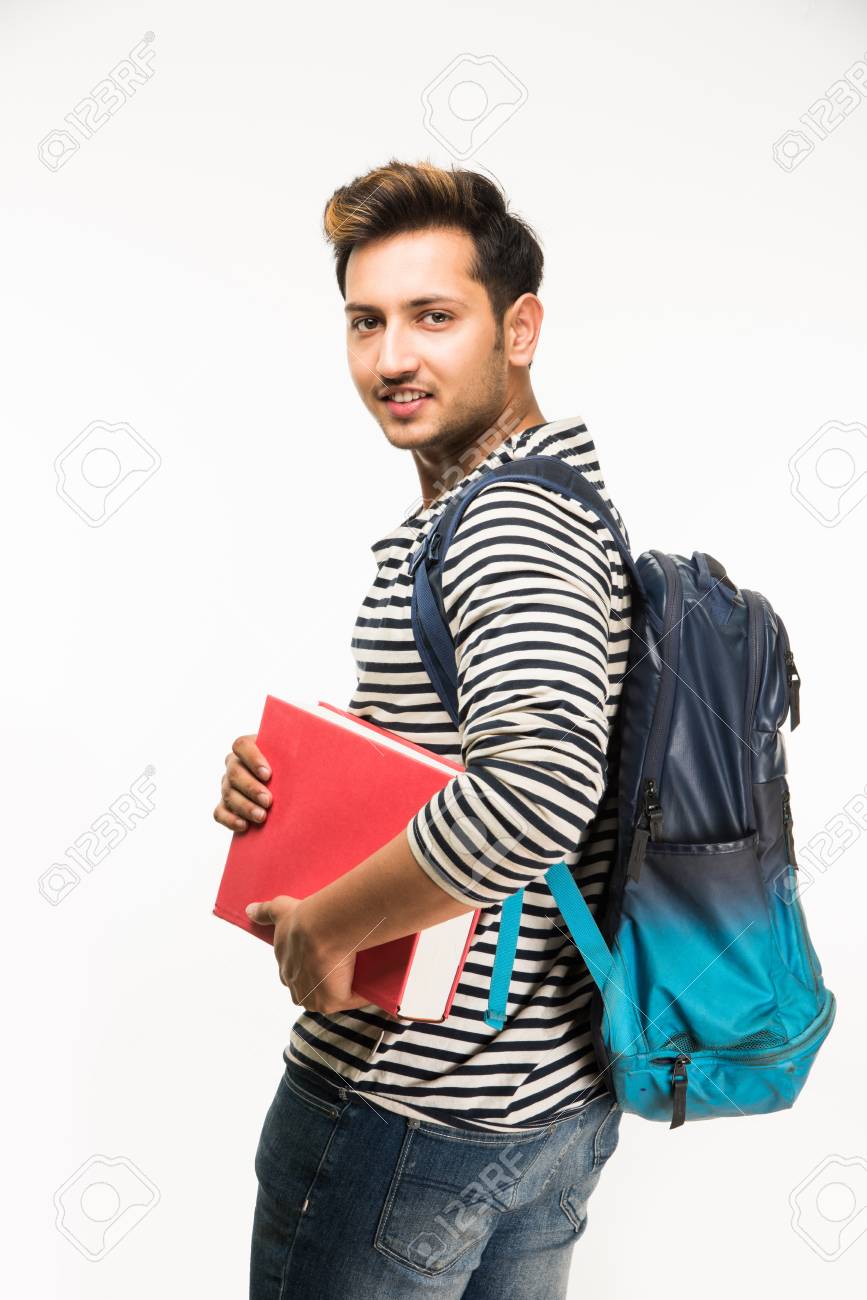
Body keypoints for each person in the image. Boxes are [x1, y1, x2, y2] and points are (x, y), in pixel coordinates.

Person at [213, 158, 633, 1299]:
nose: (392, 358)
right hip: (543, 1100)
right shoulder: (557, 501)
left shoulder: (503, 519)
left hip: (403, 1109)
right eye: (366, 322)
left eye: (433, 317)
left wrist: (330, 925)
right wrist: (303, 787)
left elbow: (538, 789)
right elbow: (487, 753)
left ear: (521, 326)